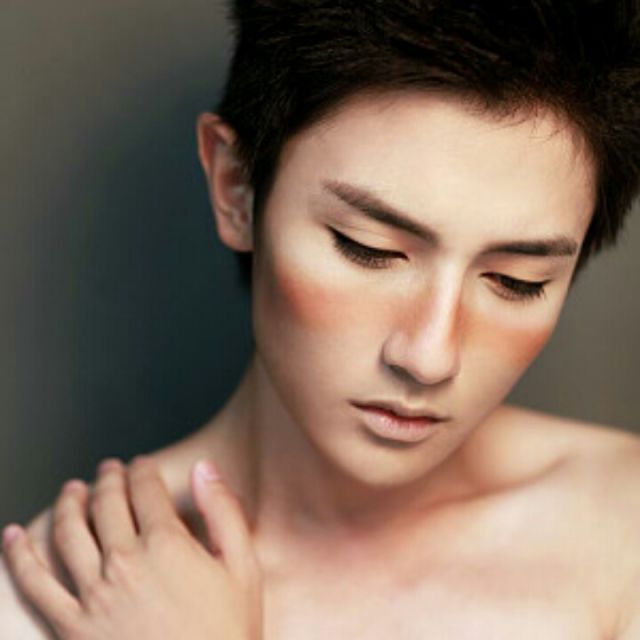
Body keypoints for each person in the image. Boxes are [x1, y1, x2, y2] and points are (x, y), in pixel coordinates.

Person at [1, 0, 640, 638]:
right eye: (369, 248)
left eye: (516, 281)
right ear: (236, 186)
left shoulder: (622, 533)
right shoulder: (61, 598)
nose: (429, 357)